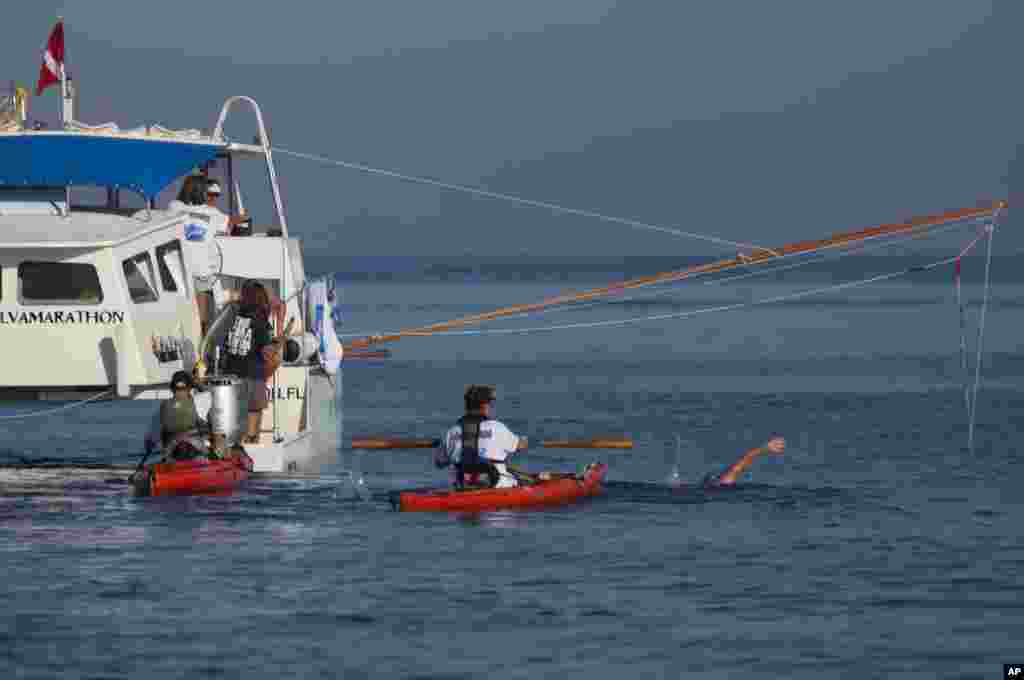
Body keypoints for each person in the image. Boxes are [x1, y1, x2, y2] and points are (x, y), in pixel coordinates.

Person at [220, 281, 284, 444]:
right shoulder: (261, 322)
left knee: (233, 431)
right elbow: (268, 353)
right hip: (252, 379)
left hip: (231, 378)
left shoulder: (233, 317)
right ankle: (249, 460)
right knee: (251, 434)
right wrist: (281, 327)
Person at [434, 385, 528, 489]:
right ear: (485, 405)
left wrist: (448, 446)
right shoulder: (497, 427)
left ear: (466, 405)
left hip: (462, 487)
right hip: (498, 487)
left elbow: (439, 463)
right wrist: (524, 440)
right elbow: (520, 445)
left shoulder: (452, 431)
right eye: (490, 404)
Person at [143, 371, 213, 461]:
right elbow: (208, 393)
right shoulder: (199, 401)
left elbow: (149, 442)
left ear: (172, 389)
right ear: (190, 388)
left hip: (171, 452)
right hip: (195, 449)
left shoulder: (163, 406)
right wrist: (197, 383)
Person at [699, 437, 786, 487]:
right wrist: (765, 448)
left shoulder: (713, 486)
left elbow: (738, 467)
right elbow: (739, 466)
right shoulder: (724, 482)